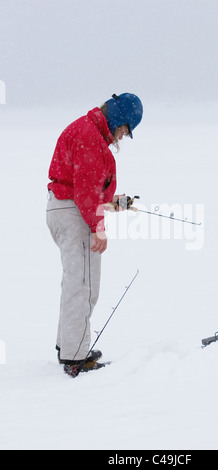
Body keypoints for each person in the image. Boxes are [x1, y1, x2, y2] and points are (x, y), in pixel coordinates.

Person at [46, 92, 143, 373]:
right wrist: (99, 229)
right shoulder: (89, 136)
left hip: (65, 209)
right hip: (73, 215)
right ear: (117, 119)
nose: (123, 137)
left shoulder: (88, 131)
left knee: (75, 282)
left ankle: (69, 343)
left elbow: (86, 187)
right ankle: (75, 358)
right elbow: (86, 194)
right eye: (125, 130)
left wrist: (116, 203)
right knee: (84, 286)